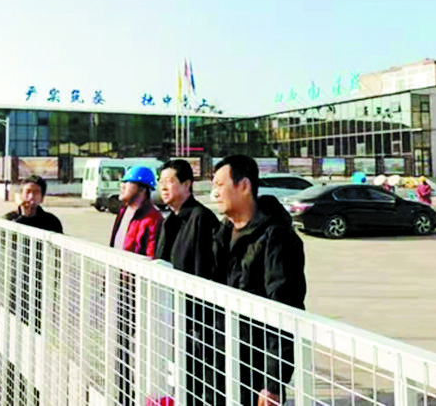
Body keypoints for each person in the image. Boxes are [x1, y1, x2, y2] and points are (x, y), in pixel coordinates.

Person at [211, 155, 307, 406]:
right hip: (222, 359)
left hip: (254, 367)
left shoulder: (277, 237)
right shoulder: (223, 233)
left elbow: (285, 310)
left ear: (244, 186)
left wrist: (273, 383)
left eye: (220, 185)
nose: (214, 193)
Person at [154, 159, 221, 406]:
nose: (163, 187)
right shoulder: (169, 220)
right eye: (161, 182)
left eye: (170, 181)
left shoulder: (201, 219)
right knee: (177, 382)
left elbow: (207, 271)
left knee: (194, 385)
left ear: (187, 184)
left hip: (196, 322)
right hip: (172, 317)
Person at [3, 175, 62, 405]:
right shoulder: (10, 219)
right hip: (16, 287)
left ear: (42, 197)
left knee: (37, 341)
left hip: (42, 289)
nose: (31, 197)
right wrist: (23, 218)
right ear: (20, 195)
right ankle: (12, 389)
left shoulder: (51, 221)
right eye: (27, 192)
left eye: (36, 192)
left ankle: (34, 393)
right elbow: (6, 241)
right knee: (14, 339)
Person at [109, 165, 163, 406]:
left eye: (127, 182)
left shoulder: (153, 219)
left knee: (138, 348)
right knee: (119, 345)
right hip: (118, 287)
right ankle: (122, 395)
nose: (122, 186)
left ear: (142, 188)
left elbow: (151, 256)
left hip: (136, 291)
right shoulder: (123, 212)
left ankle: (137, 397)